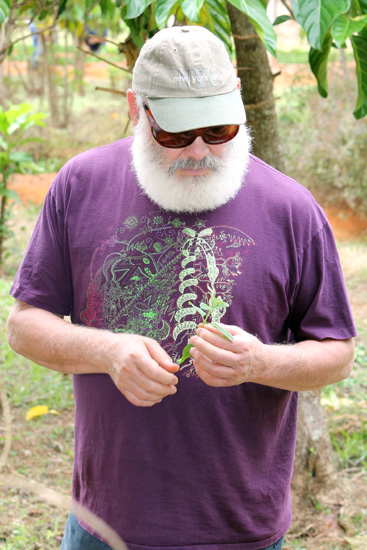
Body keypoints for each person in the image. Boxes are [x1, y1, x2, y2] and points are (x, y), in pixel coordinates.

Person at [6, 25, 356, 550]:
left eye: (218, 129)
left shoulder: (291, 210)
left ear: (237, 101)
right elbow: (24, 325)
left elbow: (338, 353)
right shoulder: (79, 186)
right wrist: (108, 351)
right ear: (135, 108)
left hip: (241, 530)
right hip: (106, 524)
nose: (199, 150)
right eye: (174, 133)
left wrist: (261, 363)